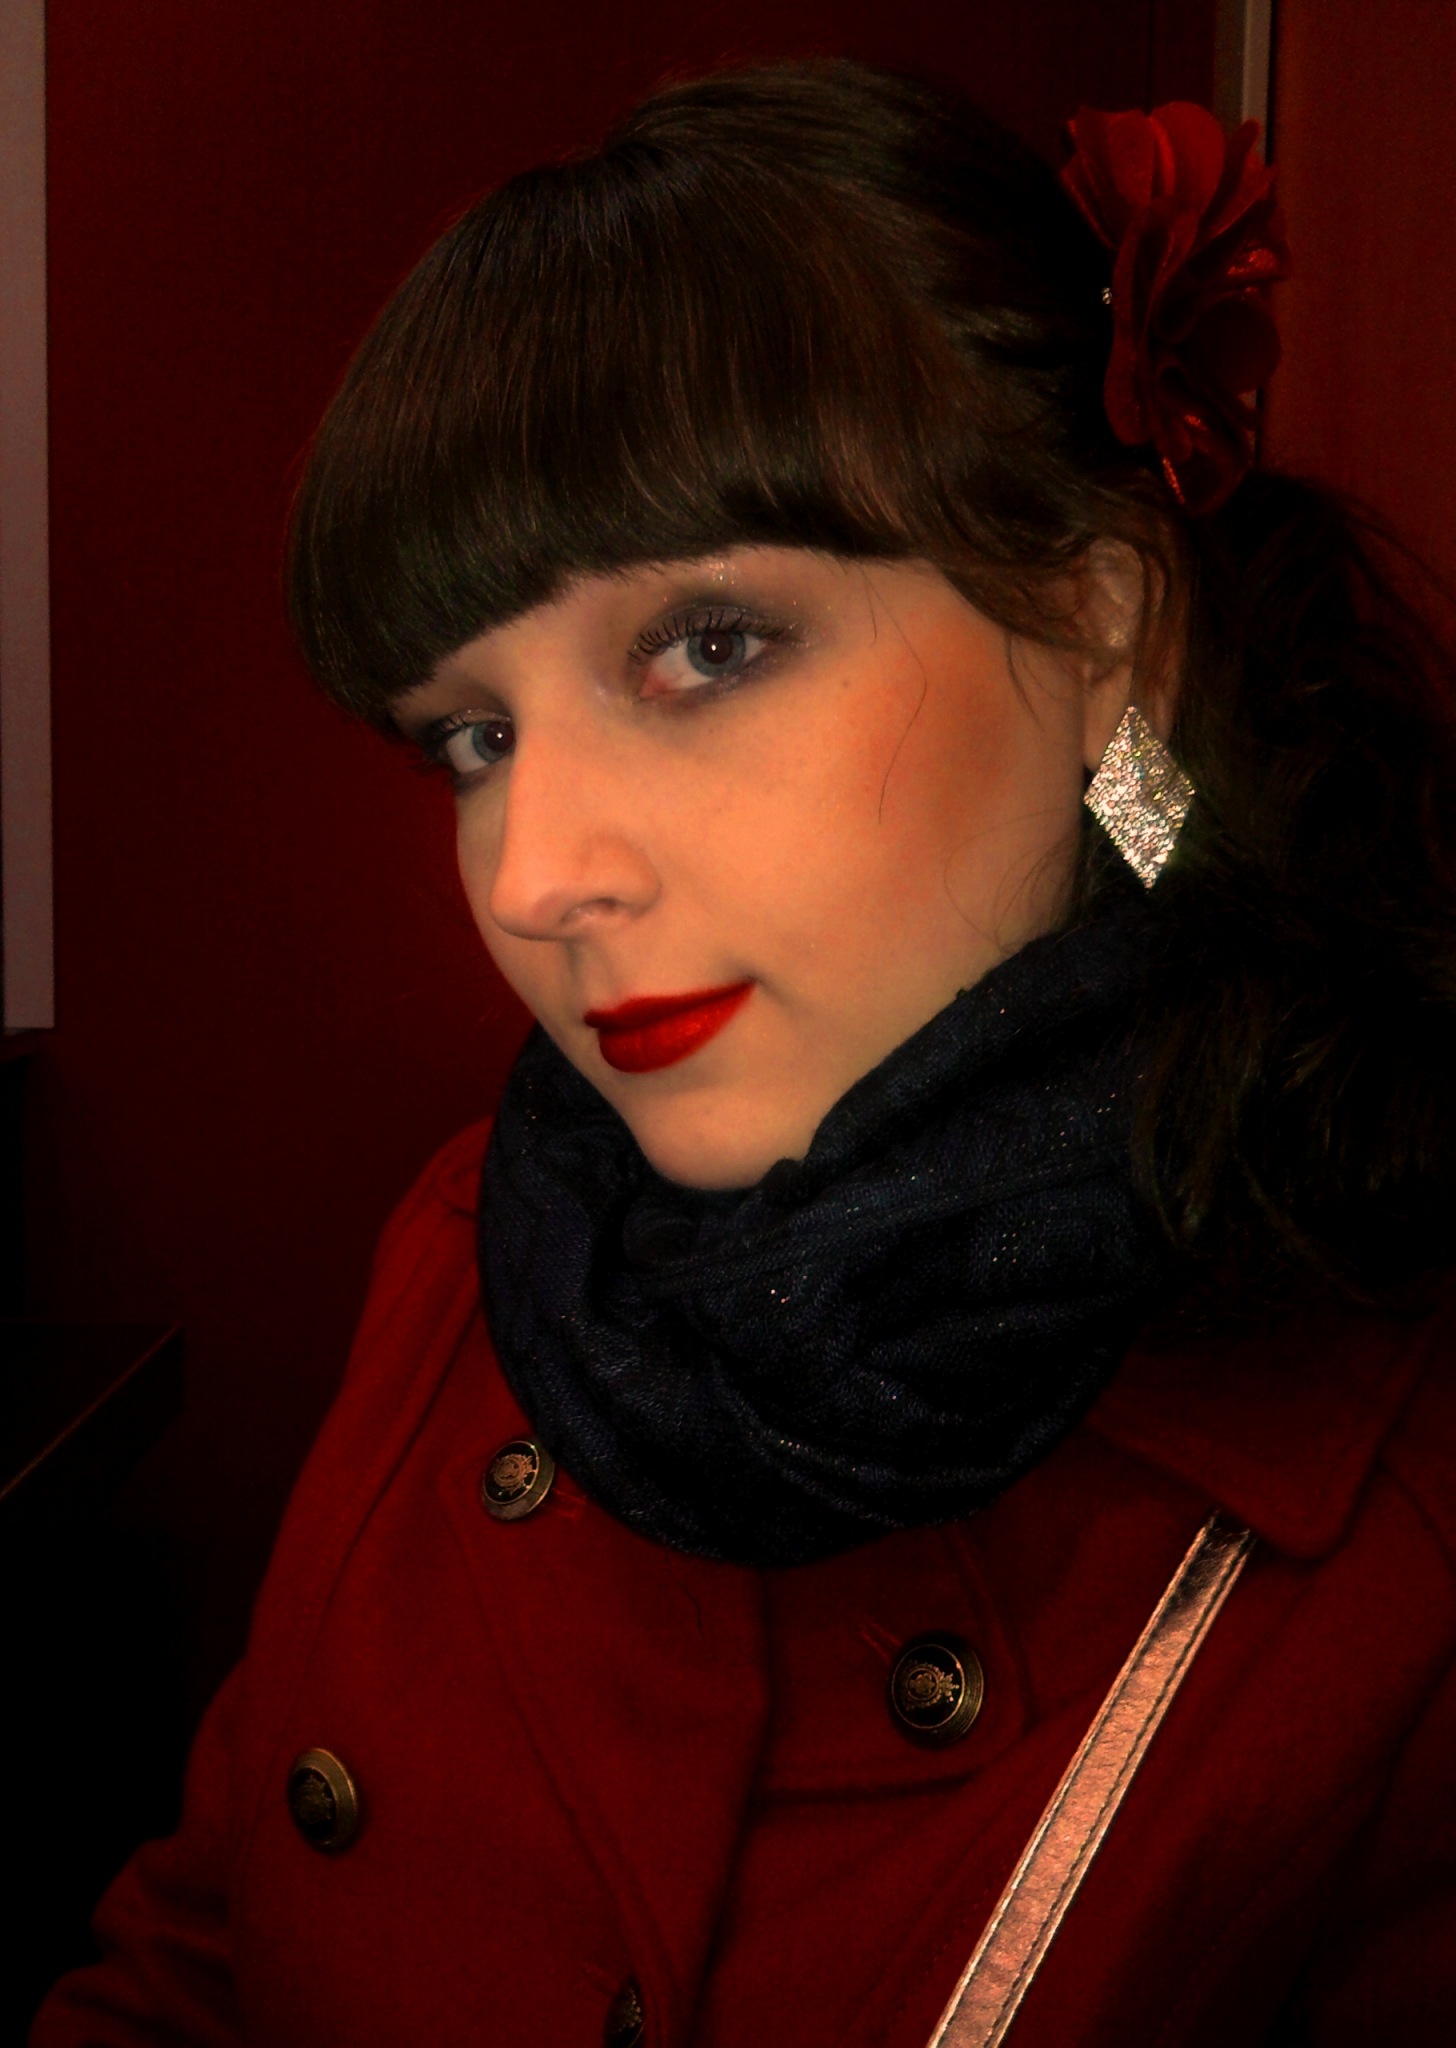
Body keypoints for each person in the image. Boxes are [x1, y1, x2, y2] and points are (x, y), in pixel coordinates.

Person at [32, 59, 1456, 2048]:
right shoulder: (466, 1252)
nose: (532, 875)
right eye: (473, 736)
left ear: (1103, 637)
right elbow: (200, 1955)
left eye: (706, 646)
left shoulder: (1392, 1546)